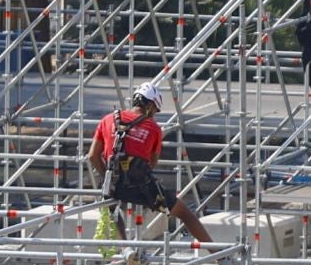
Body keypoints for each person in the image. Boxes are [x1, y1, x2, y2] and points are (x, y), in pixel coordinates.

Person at [87, 80, 215, 245]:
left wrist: (108, 178)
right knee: (185, 213)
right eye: (155, 110)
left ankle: (126, 249)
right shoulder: (153, 129)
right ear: (150, 106)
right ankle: (217, 254)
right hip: (141, 187)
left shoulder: (107, 120)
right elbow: (151, 164)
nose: (154, 114)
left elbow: (92, 156)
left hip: (113, 185)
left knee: (112, 208)